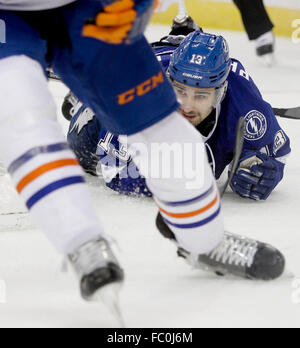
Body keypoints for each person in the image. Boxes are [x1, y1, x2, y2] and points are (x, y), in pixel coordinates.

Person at [65, 18, 290, 203]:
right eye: (180, 91)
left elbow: (278, 153)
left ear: (220, 92)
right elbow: (113, 169)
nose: (188, 106)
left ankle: (184, 38)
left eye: (201, 95)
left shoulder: (246, 106)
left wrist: (267, 172)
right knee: (81, 147)